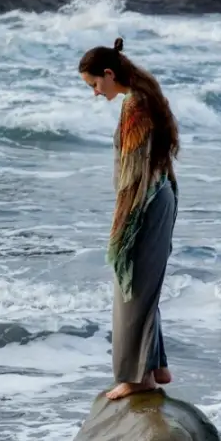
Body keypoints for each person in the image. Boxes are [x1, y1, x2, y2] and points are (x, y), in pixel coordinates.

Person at [78, 37, 180, 400]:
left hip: (146, 203)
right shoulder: (145, 92)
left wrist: (122, 223)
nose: (95, 93)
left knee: (131, 287)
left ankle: (138, 379)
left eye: (94, 84)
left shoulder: (135, 105)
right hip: (159, 197)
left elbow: (134, 172)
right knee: (143, 285)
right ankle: (156, 366)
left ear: (109, 74)